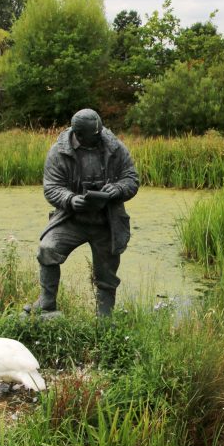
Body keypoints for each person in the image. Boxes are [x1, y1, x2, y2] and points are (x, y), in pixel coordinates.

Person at [25, 108, 139, 318]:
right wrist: (70, 199)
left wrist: (118, 189)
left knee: (107, 271)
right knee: (48, 249)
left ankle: (105, 316)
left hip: (107, 220)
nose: (99, 135)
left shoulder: (115, 148)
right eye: (93, 134)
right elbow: (51, 187)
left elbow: (131, 178)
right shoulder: (59, 152)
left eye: (100, 131)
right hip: (72, 219)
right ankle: (47, 302)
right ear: (79, 134)